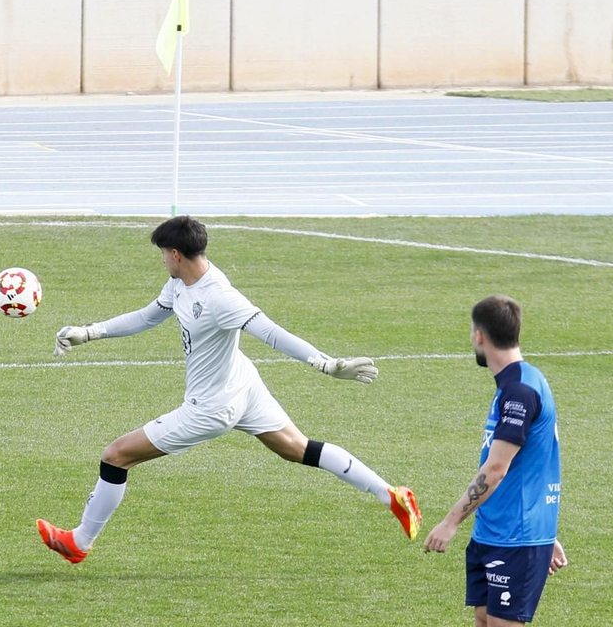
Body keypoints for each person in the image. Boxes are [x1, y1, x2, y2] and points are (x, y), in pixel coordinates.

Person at [36, 215, 421, 563]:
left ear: (175, 254)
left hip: (211, 407)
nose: (162, 262)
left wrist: (324, 363)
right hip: (243, 384)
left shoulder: (220, 296)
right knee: (299, 449)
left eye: (162, 255)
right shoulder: (180, 282)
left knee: (116, 456)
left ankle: (79, 543)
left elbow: (270, 332)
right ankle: (391, 495)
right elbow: (148, 316)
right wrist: (90, 332)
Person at [424, 294, 613, 627]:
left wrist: (450, 521)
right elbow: (538, 463)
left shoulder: (520, 391)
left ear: (480, 336)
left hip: (516, 536)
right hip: (499, 530)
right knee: (486, 626)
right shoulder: (518, 383)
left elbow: (497, 469)